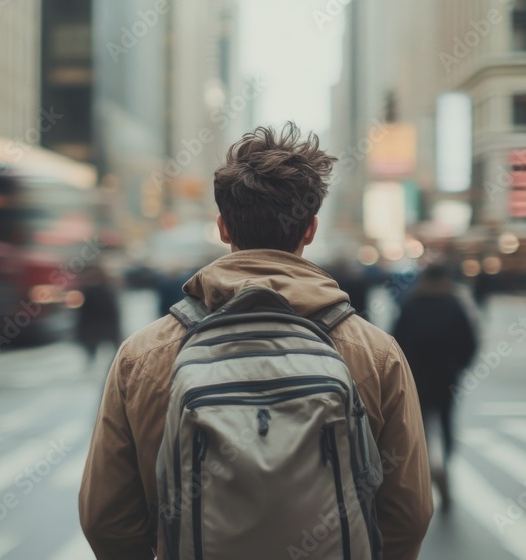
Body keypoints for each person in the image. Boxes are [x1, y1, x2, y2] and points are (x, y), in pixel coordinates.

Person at [79, 123, 433, 559]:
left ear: (223, 227)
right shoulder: (375, 353)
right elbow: (408, 514)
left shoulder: (144, 354)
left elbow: (106, 518)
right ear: (310, 229)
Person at [392, 263, 478, 512]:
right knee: (447, 422)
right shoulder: (454, 304)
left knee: (419, 429)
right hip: (446, 378)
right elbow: (470, 341)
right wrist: (459, 366)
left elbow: (394, 342)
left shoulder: (411, 304)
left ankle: (425, 472)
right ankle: (446, 466)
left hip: (416, 379)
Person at [74, 265, 122, 372]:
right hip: (92, 325)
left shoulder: (105, 289)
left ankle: (114, 365)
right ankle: (93, 364)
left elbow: (112, 310)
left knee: (113, 350)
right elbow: (82, 312)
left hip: (104, 324)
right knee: (92, 348)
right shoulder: (86, 290)